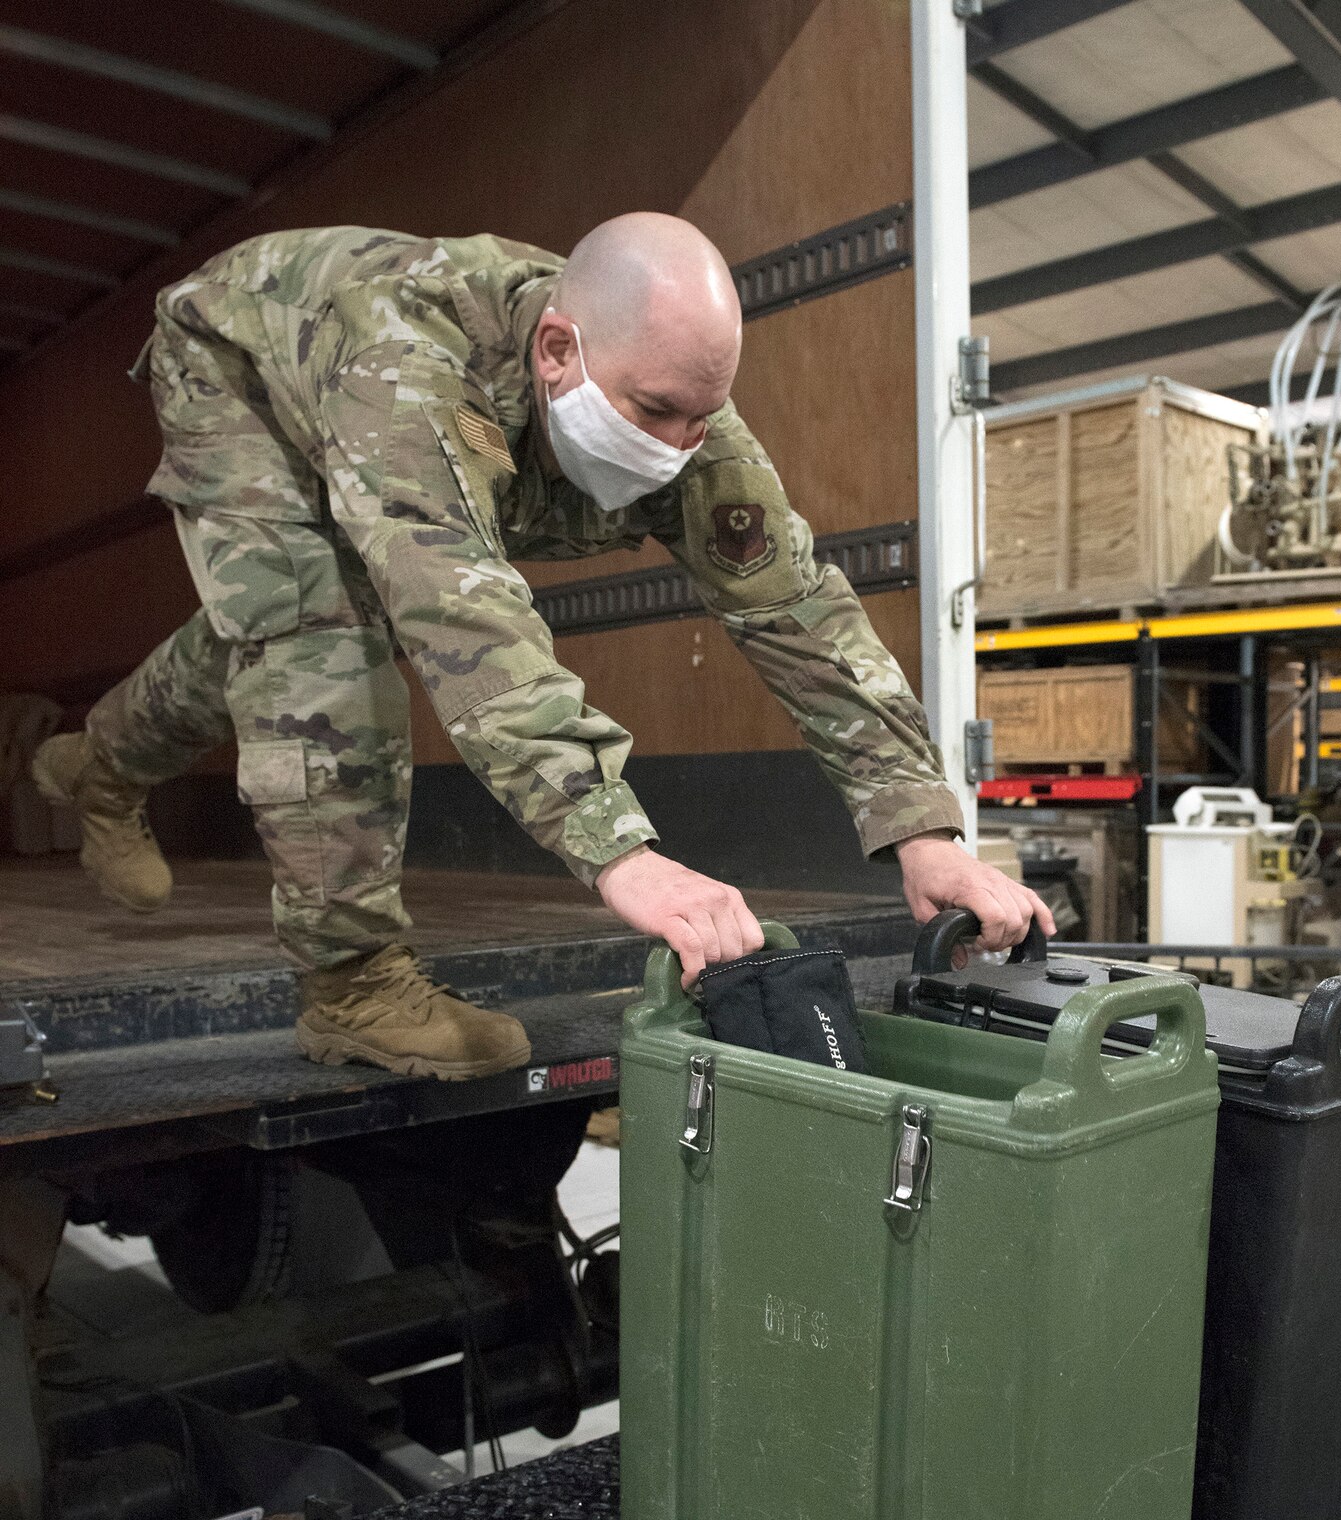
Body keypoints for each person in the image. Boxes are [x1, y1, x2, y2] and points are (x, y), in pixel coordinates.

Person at [35, 214, 1052, 1079]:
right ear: (557, 349)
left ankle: (98, 766)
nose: (676, 446)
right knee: (315, 638)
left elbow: (796, 609)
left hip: (397, 396)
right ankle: (350, 985)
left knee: (276, 622)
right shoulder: (405, 369)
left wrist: (924, 828)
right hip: (242, 361)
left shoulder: (678, 400)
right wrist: (622, 852)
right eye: (654, 413)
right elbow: (463, 617)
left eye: (702, 418)